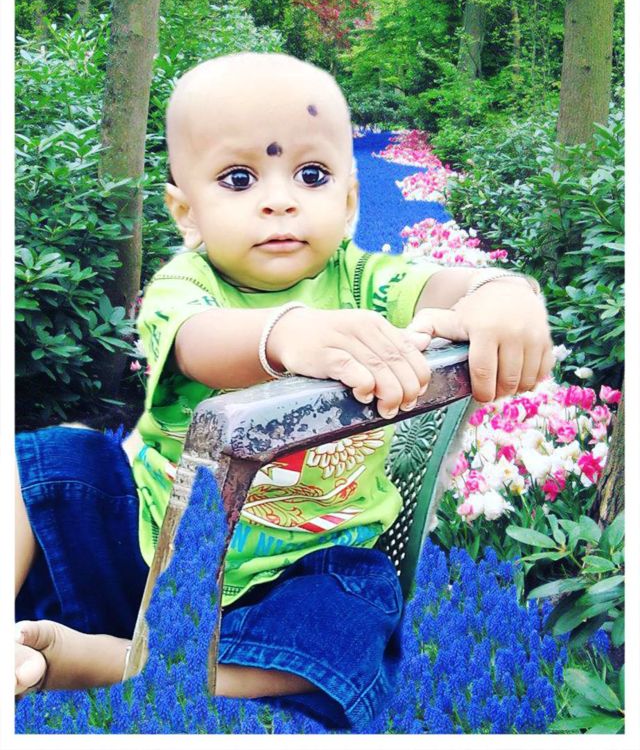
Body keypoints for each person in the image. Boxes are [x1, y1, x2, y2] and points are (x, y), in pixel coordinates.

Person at [15, 52, 553, 729]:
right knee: (46, 459)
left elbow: (454, 286)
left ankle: (119, 664)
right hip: (149, 546)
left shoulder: (369, 281)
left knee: (352, 619)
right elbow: (197, 340)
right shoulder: (186, 284)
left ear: (349, 202)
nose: (279, 199)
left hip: (302, 568)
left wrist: (504, 294)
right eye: (239, 178)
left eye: (312, 174)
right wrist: (284, 335)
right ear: (187, 212)